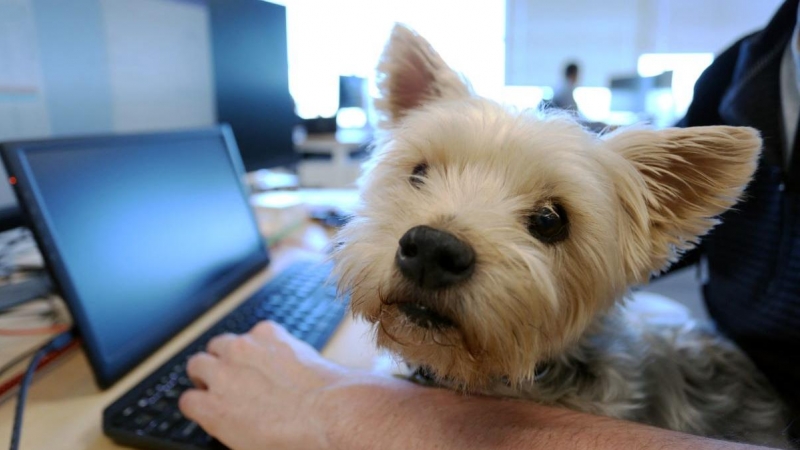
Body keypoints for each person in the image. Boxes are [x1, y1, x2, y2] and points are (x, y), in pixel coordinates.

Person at [179, 1, 800, 448]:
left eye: (547, 222)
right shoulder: (748, 67)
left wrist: (350, 416)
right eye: (420, 173)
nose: (437, 239)